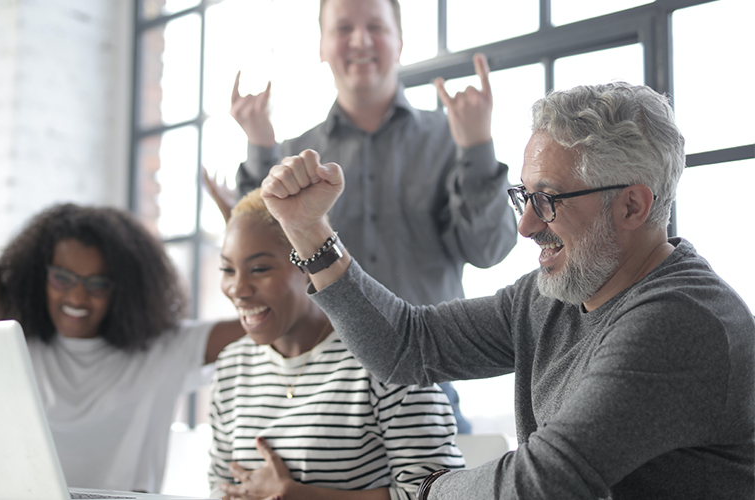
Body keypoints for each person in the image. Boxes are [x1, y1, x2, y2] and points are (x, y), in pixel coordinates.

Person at [258, 82, 755, 499]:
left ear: (631, 206)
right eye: (524, 196)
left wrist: (430, 490)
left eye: (548, 199)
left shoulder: (680, 321)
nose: (526, 225)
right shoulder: (551, 298)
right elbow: (407, 346)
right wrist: (308, 232)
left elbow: (543, 483)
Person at [0, 14, 243, 493]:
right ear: (41, 275)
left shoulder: (163, 352)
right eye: (63, 278)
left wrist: (241, 223)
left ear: (123, 291)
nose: (78, 296)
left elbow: (267, 314)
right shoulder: (15, 342)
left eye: (97, 284)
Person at [230, 0, 516, 432]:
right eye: (343, 28)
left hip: (427, 385)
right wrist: (260, 150)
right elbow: (257, 258)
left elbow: (489, 250)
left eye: (376, 27)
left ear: (399, 42)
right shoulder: (295, 156)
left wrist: (477, 147)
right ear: (322, 46)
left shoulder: (449, 137)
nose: (361, 40)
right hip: (321, 392)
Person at [209, 189, 463, 500]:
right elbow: (221, 486)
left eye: (259, 269)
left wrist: (302, 496)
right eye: (227, 269)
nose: (237, 288)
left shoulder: (386, 354)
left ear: (306, 265)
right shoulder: (232, 365)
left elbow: (438, 494)